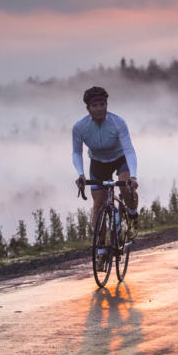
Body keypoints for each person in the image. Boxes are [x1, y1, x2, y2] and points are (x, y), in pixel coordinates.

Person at [72, 86, 139, 244]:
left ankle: (132, 216)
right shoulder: (80, 127)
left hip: (120, 158)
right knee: (97, 205)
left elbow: (129, 149)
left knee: (125, 186)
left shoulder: (117, 122)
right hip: (98, 163)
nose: (99, 108)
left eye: (103, 104)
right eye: (95, 105)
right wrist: (81, 175)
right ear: (88, 108)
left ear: (107, 105)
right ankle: (100, 248)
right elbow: (76, 153)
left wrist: (134, 177)